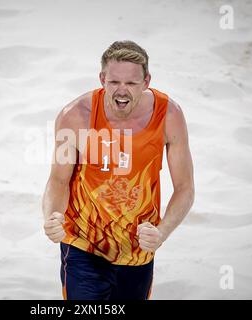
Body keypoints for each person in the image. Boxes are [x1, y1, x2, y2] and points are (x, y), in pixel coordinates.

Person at [42, 40, 195, 300]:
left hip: (138, 248)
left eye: (131, 83)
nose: (121, 91)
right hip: (83, 242)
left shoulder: (169, 115)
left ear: (147, 81)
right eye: (114, 82)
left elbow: (185, 188)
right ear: (102, 79)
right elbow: (58, 180)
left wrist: (162, 233)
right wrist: (52, 217)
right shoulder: (75, 117)